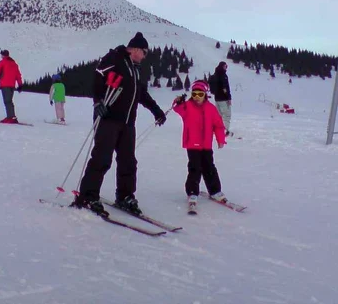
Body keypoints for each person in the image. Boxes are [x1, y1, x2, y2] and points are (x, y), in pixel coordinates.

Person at [71, 32, 167, 216]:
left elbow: (141, 94)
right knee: (102, 158)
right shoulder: (114, 58)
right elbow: (98, 77)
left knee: (128, 162)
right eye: (144, 52)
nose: (145, 57)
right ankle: (88, 196)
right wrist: (98, 102)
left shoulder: (136, 69)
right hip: (108, 118)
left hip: (128, 123)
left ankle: (125, 196)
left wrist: (156, 111)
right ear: (137, 49)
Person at [172, 80, 228, 210]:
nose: (197, 97)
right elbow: (177, 108)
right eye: (194, 94)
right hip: (192, 144)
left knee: (209, 167)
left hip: (206, 145)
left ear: (206, 95)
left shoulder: (211, 109)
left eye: (200, 94)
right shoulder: (187, 106)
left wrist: (220, 139)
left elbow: (218, 126)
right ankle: (192, 192)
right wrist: (178, 101)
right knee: (194, 168)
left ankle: (215, 191)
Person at [0, 50, 23, 124]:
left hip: (5, 84)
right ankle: (11, 116)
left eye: (1, 55)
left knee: (7, 101)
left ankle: (11, 117)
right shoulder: (14, 64)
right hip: (12, 85)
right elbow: (18, 75)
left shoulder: (2, 62)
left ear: (3, 55)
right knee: (9, 101)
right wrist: (20, 85)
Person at [212, 61, 233, 136]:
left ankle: (217, 129)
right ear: (222, 66)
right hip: (223, 98)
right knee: (227, 115)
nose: (226, 68)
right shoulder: (223, 75)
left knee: (219, 115)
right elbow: (225, 88)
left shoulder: (215, 74)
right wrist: (228, 97)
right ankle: (224, 131)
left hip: (217, 98)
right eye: (225, 66)